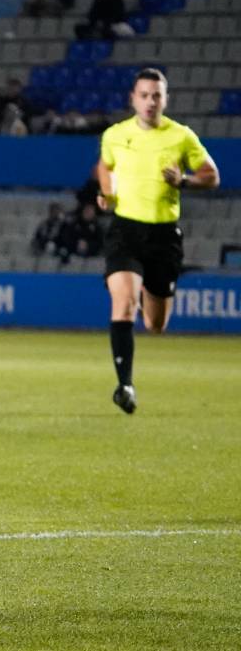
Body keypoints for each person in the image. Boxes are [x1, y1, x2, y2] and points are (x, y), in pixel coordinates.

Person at [95, 68, 220, 414]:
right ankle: (125, 385)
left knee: (155, 324)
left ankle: (141, 295)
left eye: (156, 95)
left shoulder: (181, 136)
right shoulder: (115, 135)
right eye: (144, 95)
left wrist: (185, 181)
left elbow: (212, 176)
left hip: (163, 237)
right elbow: (105, 167)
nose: (150, 101)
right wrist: (107, 194)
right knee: (122, 304)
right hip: (125, 231)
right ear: (133, 99)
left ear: (165, 100)